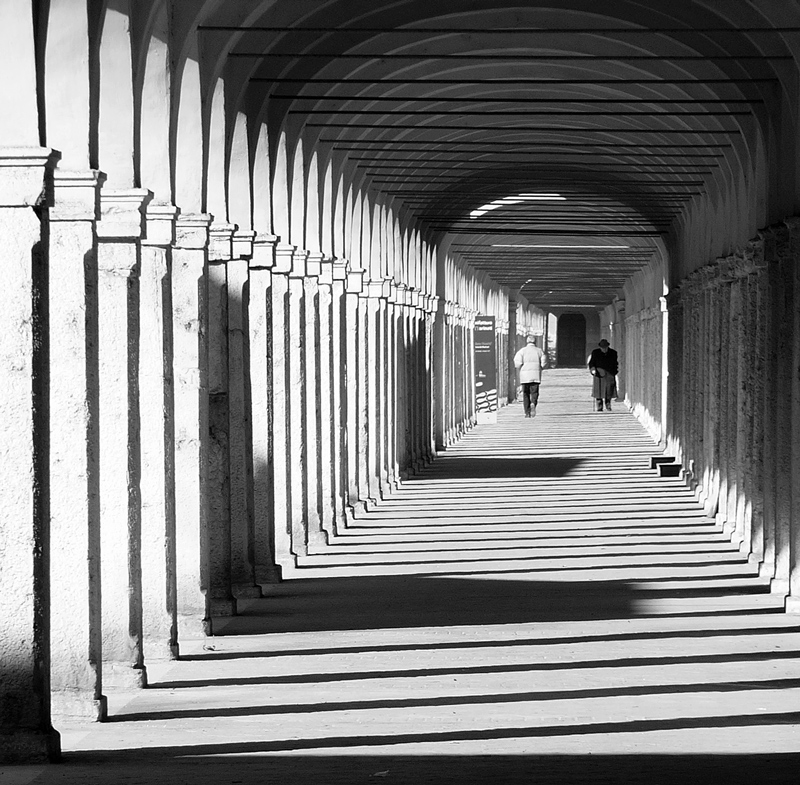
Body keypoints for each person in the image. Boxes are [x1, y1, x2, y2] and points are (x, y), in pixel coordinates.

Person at [513, 335, 546, 418]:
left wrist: (521, 368)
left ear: (527, 342)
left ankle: (527, 412)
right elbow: (544, 362)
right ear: (535, 342)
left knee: (525, 394)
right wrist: (540, 367)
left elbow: (517, 363)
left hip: (525, 376)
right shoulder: (539, 351)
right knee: (535, 392)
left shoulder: (522, 351)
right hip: (535, 375)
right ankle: (533, 403)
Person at [588, 338, 619, 411]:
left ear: (608, 347)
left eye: (605, 348)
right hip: (599, 374)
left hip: (610, 373)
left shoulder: (613, 353)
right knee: (598, 390)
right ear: (600, 347)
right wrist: (593, 370)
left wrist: (615, 371)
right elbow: (591, 363)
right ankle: (599, 406)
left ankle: (608, 405)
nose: (604, 349)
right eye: (602, 348)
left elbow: (615, 363)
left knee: (609, 390)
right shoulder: (595, 353)